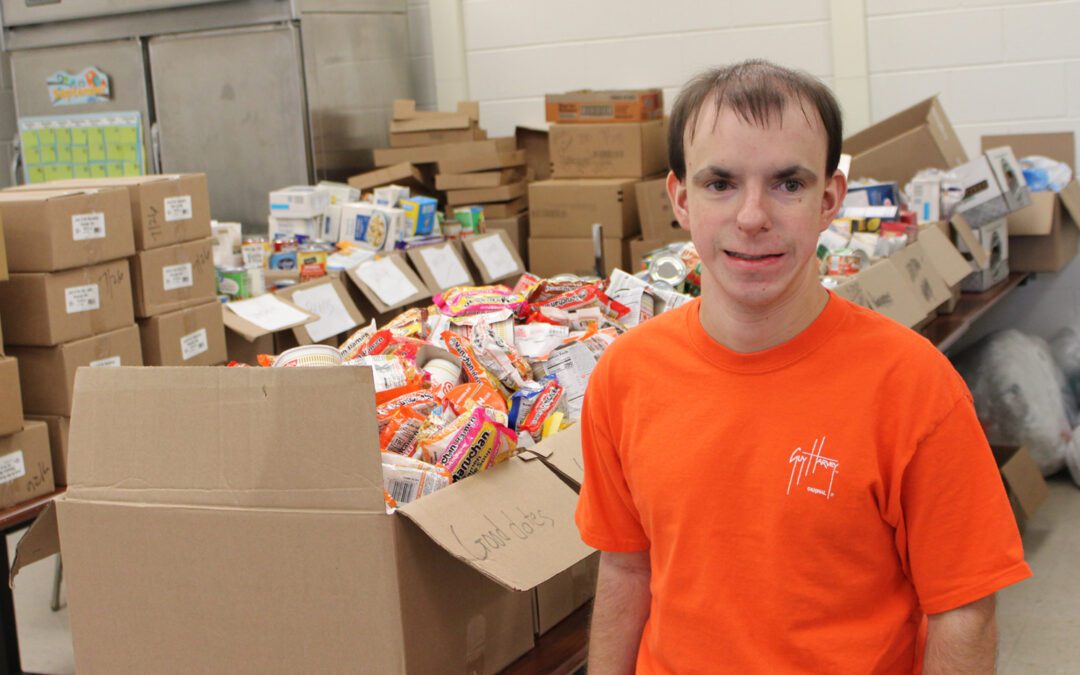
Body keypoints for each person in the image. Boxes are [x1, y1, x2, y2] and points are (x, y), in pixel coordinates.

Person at [574, 59, 1031, 674]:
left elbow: (964, 609)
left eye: (788, 183)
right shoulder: (625, 377)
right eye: (721, 184)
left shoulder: (913, 386)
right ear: (680, 199)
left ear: (829, 199)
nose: (753, 216)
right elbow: (625, 566)